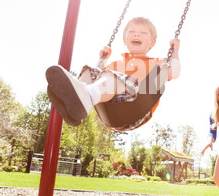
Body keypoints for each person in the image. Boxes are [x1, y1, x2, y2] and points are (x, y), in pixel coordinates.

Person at [46, 17, 181, 128]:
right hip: (109, 109)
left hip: (136, 107)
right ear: (124, 40)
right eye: (132, 31)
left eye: (143, 33)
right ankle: (75, 101)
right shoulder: (115, 65)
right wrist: (102, 58)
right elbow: (97, 75)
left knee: (111, 77)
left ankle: (86, 96)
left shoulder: (156, 63)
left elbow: (174, 72)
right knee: (91, 70)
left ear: (152, 43)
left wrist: (175, 51)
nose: (136, 34)